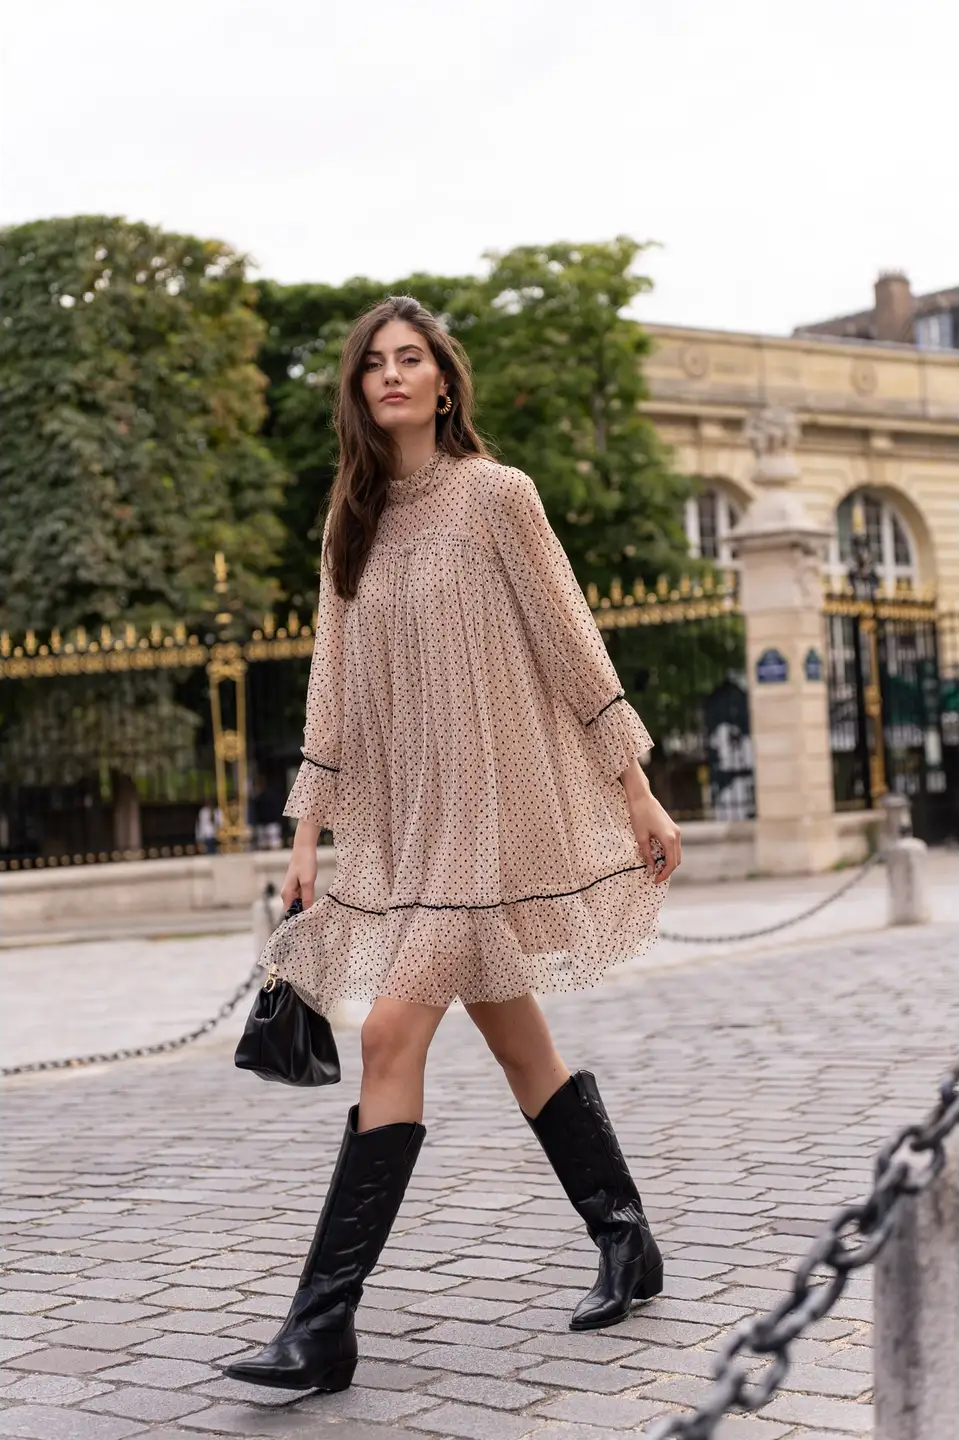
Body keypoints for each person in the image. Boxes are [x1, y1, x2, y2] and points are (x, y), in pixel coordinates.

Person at [225, 296, 682, 1395]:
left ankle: (320, 1327)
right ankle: (626, 1238)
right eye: (373, 363)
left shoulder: (497, 497)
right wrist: (306, 839)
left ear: (443, 380)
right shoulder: (351, 521)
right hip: (411, 820)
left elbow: (573, 643)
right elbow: (331, 695)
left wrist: (636, 790)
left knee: (388, 1035)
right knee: (520, 1044)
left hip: (495, 809)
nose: (391, 376)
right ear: (359, 389)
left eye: (410, 359)